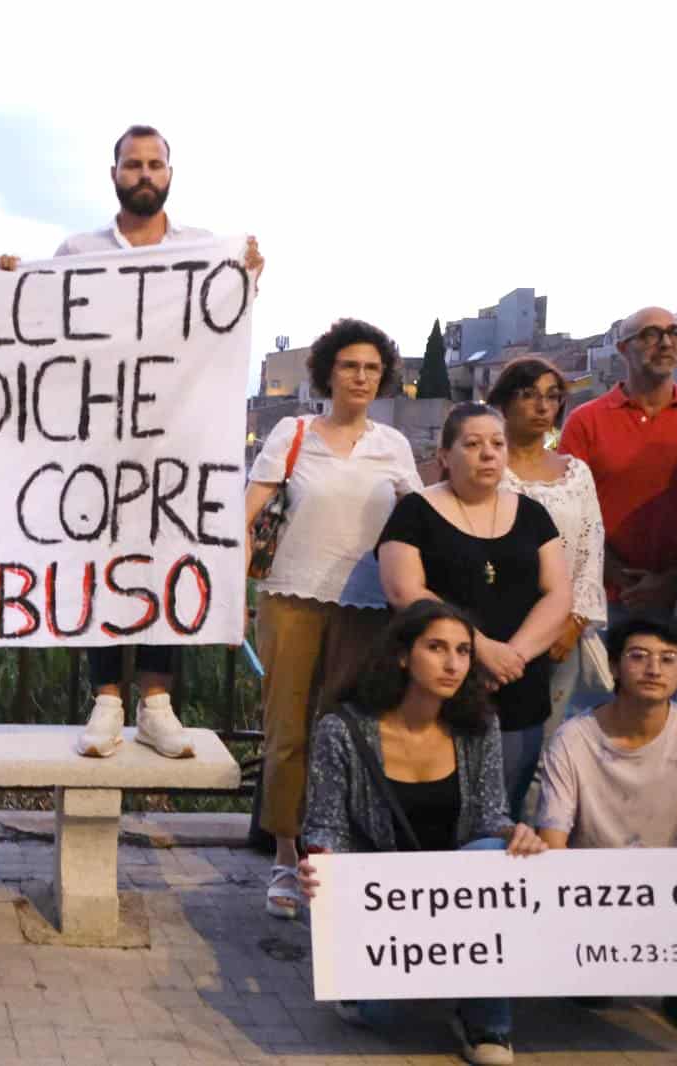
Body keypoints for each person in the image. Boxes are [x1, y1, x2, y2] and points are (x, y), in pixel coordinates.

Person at [61, 123, 264, 760]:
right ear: (114, 173)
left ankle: (155, 702)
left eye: (154, 164)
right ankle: (106, 700)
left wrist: (247, 277)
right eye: (132, 164)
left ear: (169, 174)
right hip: (98, 435)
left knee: (169, 554)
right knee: (100, 559)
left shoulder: (203, 249)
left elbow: (220, 327)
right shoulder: (77, 249)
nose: (144, 174)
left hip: (177, 437)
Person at [298, 599, 547, 1066]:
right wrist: (319, 865)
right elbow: (326, 827)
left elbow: (490, 818)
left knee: (495, 854)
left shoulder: (479, 727)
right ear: (401, 655)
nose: (453, 663)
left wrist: (518, 833)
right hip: (383, 900)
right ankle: (383, 990)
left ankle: (486, 1020)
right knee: (385, 1016)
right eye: (436, 648)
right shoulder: (344, 729)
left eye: (463, 651)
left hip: (454, 896)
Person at [244, 318, 421, 918]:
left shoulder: (393, 446)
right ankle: (286, 858)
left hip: (369, 610)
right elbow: (247, 520)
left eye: (372, 367)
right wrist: (230, 603)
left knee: (346, 734)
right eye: (350, 366)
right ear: (328, 373)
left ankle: (332, 853)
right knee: (288, 734)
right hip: (291, 598)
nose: (362, 377)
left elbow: (416, 523)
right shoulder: (292, 435)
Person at [378, 403, 572, 818]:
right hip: (439, 686)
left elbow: (558, 594)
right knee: (437, 811)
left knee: (502, 811)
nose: (488, 453)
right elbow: (404, 589)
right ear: (445, 456)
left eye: (497, 444)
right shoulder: (415, 512)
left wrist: (511, 657)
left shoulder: (533, 514)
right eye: (473, 444)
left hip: (518, 684)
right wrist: (477, 649)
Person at [487, 357, 608, 731]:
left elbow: (592, 546)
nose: (542, 406)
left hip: (562, 630)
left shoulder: (575, 473)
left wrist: (575, 620)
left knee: (546, 739)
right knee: (488, 736)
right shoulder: (486, 466)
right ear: (504, 402)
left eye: (552, 397)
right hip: (496, 626)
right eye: (528, 395)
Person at [559, 307, 677, 624]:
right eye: (650, 334)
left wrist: (671, 581)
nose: (665, 342)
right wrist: (620, 577)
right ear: (622, 349)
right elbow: (569, 512)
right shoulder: (586, 421)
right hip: (603, 599)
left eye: (675, 332)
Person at [537, 616, 677, 851]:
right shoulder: (572, 738)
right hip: (594, 883)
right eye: (638, 656)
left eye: (668, 659)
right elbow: (552, 841)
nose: (654, 670)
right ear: (613, 666)